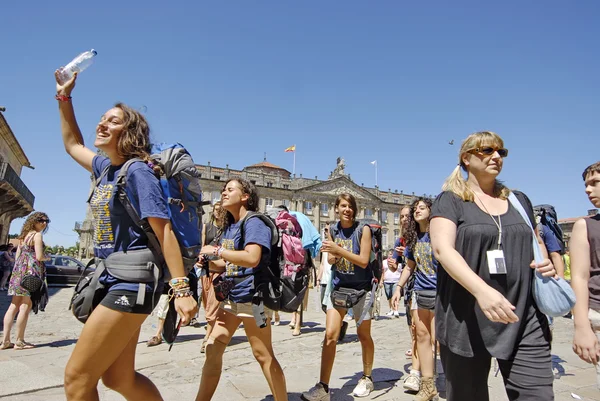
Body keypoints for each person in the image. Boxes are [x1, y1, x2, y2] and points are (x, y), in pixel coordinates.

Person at [55, 71, 197, 400]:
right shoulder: (106, 168)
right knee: (119, 379)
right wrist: (64, 97)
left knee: (77, 378)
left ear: (129, 132)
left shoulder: (138, 171)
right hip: (112, 273)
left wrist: (181, 289)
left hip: (132, 279)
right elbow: (72, 144)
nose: (101, 124)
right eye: (102, 119)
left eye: (113, 121)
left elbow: (165, 233)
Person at [429, 131, 556, 401]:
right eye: (487, 151)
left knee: (538, 395)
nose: (496, 156)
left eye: (501, 152)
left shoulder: (518, 200)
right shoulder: (450, 200)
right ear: (466, 158)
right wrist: (482, 291)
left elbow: (535, 241)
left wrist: (545, 263)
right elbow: (442, 249)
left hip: (522, 315)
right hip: (466, 317)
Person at [196, 178, 287, 401]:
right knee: (213, 349)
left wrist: (217, 250)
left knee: (263, 354)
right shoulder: (230, 226)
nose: (224, 193)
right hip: (232, 297)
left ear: (245, 196)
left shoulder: (254, 222)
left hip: (254, 298)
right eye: (223, 190)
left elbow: (252, 258)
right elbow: (229, 263)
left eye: (230, 190)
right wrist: (207, 262)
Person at [302, 193, 375, 400]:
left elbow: (362, 261)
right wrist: (331, 251)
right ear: (336, 208)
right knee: (330, 335)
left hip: (363, 289)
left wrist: (337, 249)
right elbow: (333, 261)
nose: (347, 209)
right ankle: (323, 386)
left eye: (350, 206)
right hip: (339, 287)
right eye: (343, 205)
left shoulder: (364, 229)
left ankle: (367, 377)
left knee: (363, 335)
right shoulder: (333, 230)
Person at [392, 198, 438, 400]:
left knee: (436, 340)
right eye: (415, 208)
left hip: (440, 293)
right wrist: (398, 287)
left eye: (422, 207)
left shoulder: (439, 234)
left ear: (431, 210)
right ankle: (428, 385)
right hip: (420, 291)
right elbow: (410, 266)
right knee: (421, 337)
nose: (417, 211)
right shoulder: (413, 238)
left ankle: (439, 379)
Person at [1, 212, 50, 350]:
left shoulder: (23, 237)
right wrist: (47, 257)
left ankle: (5, 341)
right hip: (31, 274)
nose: (44, 223)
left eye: (47, 221)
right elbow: (39, 256)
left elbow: (17, 258)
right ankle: (19, 341)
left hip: (18, 273)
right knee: (25, 306)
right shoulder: (37, 235)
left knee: (13, 306)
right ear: (34, 221)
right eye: (41, 220)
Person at [571, 161, 600, 388]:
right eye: (586, 185)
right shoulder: (586, 226)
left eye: (595, 183)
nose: (588, 190)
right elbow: (579, 277)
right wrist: (581, 326)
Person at [199, 201, 226, 353]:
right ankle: (213, 329)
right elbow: (202, 246)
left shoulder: (227, 229)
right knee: (206, 304)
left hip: (219, 270)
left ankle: (207, 338)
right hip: (205, 269)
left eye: (220, 210)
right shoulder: (206, 227)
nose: (217, 213)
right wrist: (200, 257)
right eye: (216, 210)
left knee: (212, 305)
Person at [382, 249, 401, 317]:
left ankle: (396, 310)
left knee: (395, 296)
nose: (391, 255)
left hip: (396, 280)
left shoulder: (398, 262)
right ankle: (391, 309)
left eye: (392, 254)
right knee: (389, 297)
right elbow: (383, 271)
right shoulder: (384, 262)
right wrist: (381, 280)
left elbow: (401, 271)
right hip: (387, 281)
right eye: (390, 254)